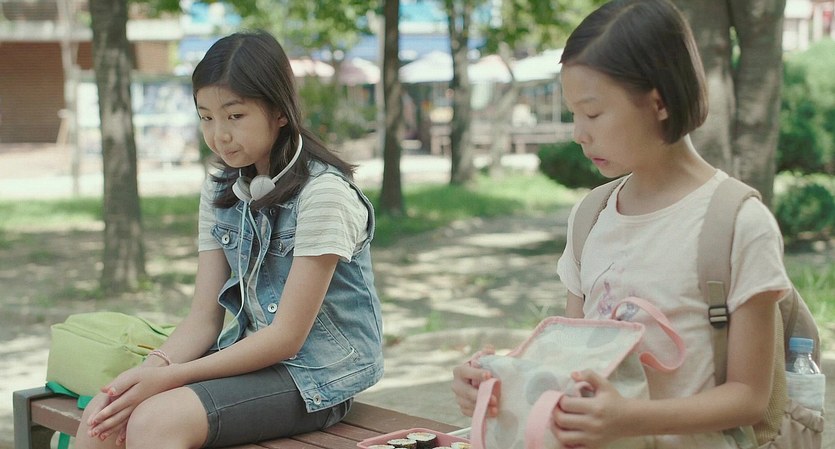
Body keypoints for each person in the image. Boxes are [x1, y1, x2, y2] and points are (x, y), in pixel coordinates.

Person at [451, 1, 792, 448]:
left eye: (592, 113)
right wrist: (498, 381)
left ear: (659, 102)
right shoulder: (590, 217)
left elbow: (749, 398)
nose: (578, 133)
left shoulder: (739, 223)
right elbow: (570, 368)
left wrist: (630, 419)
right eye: (573, 114)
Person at [76, 30, 384, 449]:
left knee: (154, 422)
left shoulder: (324, 195)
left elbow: (286, 338)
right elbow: (203, 319)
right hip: (249, 361)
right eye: (206, 117)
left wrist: (170, 378)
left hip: (319, 376)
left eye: (235, 116)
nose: (219, 135)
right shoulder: (222, 187)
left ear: (279, 111)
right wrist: (151, 368)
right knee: (105, 412)